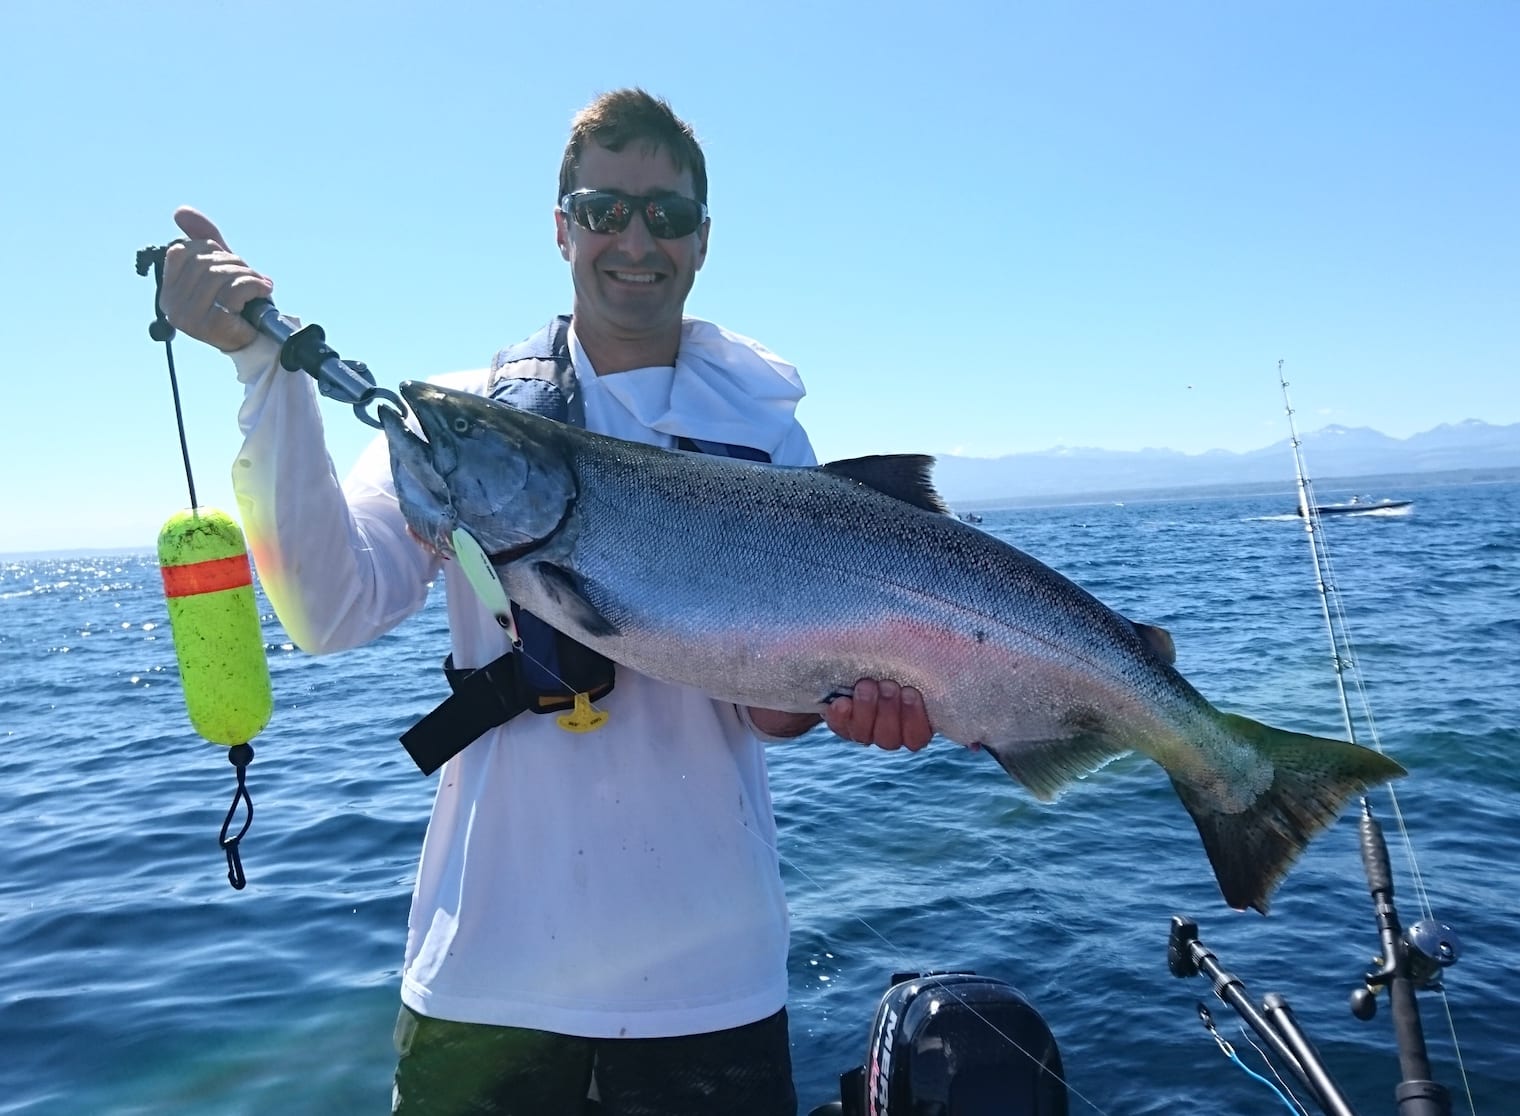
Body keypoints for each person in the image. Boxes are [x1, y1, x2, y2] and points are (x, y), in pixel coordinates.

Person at [161, 88, 934, 1116]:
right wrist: (263, 369)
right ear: (561, 226)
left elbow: (771, 710)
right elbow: (330, 608)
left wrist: (857, 699)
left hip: (706, 979)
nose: (634, 239)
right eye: (604, 208)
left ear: (701, 241)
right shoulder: (460, 423)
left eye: (664, 215)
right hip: (487, 971)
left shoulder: (764, 441)